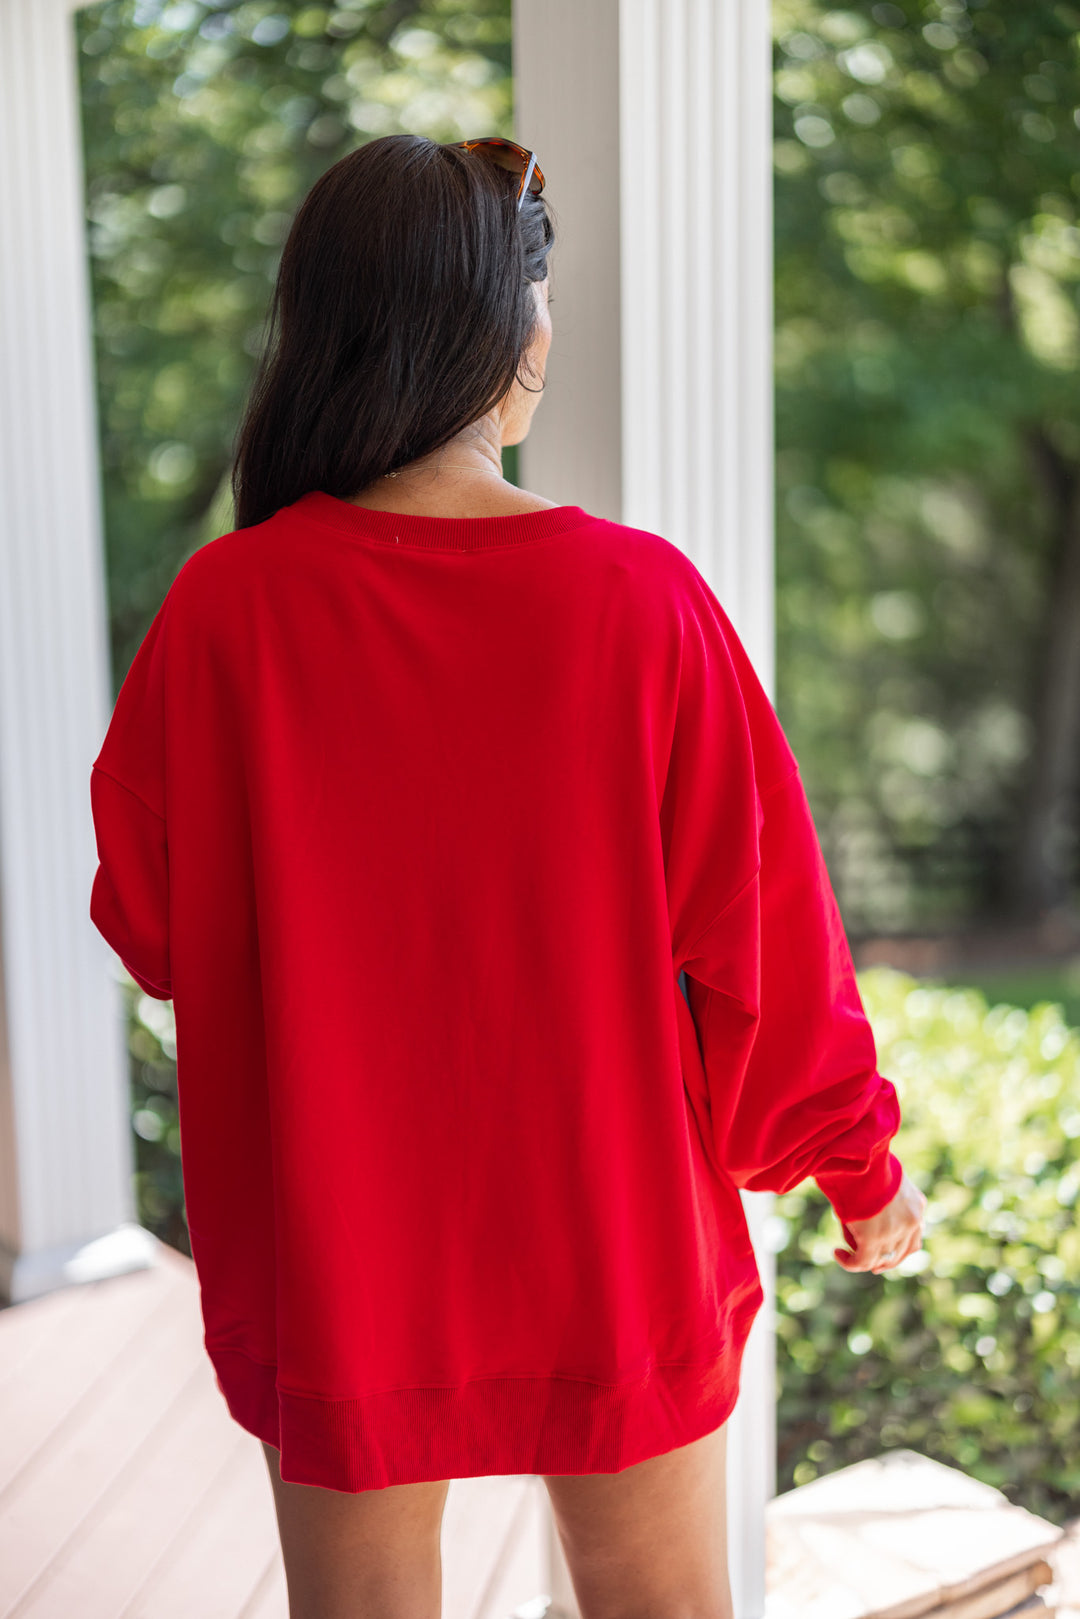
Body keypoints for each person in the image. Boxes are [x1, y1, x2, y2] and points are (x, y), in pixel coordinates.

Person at [88, 132, 926, 1619]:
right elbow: (769, 952)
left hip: (341, 1251)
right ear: (502, 330)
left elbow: (153, 929)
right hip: (611, 1239)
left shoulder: (228, 612)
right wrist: (854, 1168)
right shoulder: (644, 605)